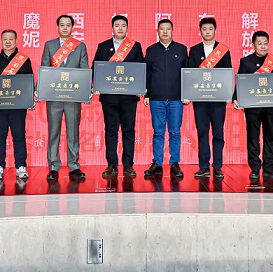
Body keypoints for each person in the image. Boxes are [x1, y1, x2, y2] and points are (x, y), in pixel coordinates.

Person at [92, 15, 145, 179]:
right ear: (112, 28)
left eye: (123, 25)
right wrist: (97, 86)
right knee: (111, 130)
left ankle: (128, 165)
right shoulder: (103, 46)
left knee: (129, 131)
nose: (120, 28)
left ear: (127, 28)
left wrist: (141, 87)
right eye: (117, 25)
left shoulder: (135, 46)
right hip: (109, 98)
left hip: (129, 98)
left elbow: (141, 69)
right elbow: (96, 69)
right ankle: (112, 165)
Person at [41, 15, 89, 181]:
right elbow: (45, 69)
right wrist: (41, 90)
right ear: (58, 27)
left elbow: (84, 71)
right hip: (54, 97)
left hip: (73, 97)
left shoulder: (80, 46)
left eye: (68, 25)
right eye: (62, 25)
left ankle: (73, 165)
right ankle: (53, 166)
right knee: (53, 131)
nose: (65, 28)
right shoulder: (49, 45)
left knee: (73, 132)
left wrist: (86, 89)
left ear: (72, 27)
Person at [233, 31, 273, 181]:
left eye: (265, 43)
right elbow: (241, 82)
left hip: (271, 107)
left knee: (270, 137)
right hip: (253, 107)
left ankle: (269, 169)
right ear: (253, 45)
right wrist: (236, 98)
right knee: (253, 137)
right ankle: (255, 168)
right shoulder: (246, 61)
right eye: (259, 43)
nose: (263, 46)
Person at [0, 30, 33, 181]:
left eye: (11, 39)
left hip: (18, 107)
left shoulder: (24, 60)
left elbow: (29, 82)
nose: (8, 42)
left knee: (19, 136)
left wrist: (30, 98)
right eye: (5, 39)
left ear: (16, 41)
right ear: (1, 41)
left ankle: (21, 166)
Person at [186, 17, 232, 179]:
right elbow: (190, 74)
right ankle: (204, 166)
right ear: (200, 31)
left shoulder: (223, 50)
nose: (207, 32)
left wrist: (229, 95)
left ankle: (217, 166)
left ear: (215, 30)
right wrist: (187, 95)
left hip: (218, 100)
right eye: (204, 29)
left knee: (218, 133)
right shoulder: (194, 50)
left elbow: (228, 74)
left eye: (210, 29)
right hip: (200, 100)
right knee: (202, 133)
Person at [144, 19, 188, 178]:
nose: (164, 32)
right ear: (157, 31)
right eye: (162, 29)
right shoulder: (151, 50)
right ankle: (157, 162)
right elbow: (147, 74)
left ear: (172, 31)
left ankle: (175, 162)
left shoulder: (182, 49)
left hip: (176, 99)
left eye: (167, 29)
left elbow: (187, 74)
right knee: (158, 132)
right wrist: (147, 94)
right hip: (156, 98)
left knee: (175, 132)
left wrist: (186, 94)